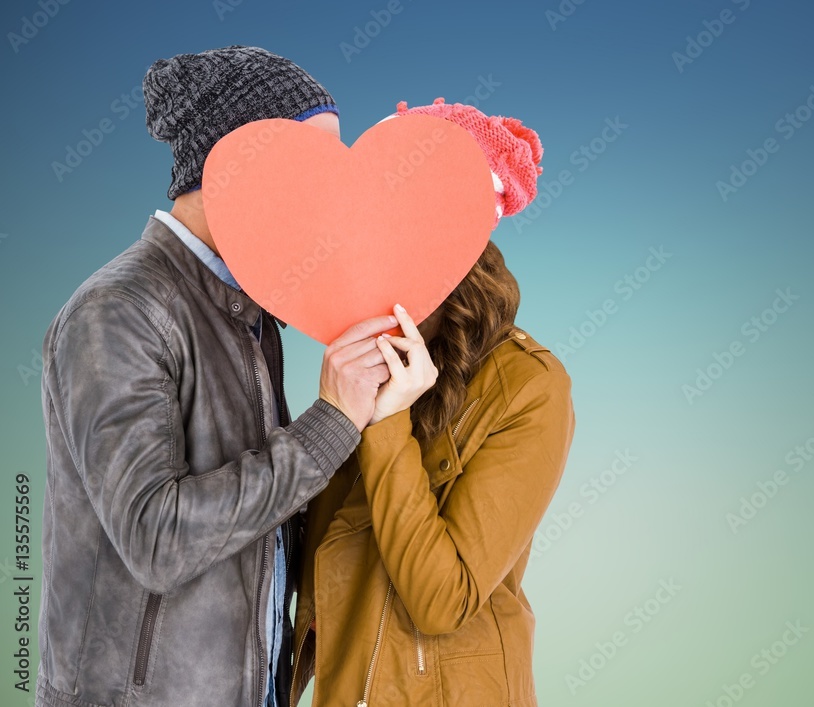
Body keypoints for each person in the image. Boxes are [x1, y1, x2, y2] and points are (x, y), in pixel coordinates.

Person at [36, 46, 393, 707]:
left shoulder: (252, 314)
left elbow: (265, 513)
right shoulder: (118, 311)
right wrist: (330, 424)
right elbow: (158, 537)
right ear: (236, 166)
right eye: (310, 168)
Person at [291, 100, 576, 707]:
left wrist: (389, 422)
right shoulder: (364, 348)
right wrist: (331, 418)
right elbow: (309, 559)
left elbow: (441, 600)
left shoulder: (530, 387)